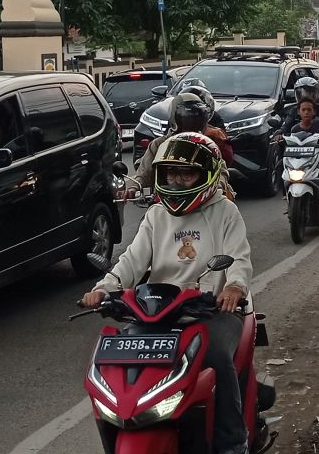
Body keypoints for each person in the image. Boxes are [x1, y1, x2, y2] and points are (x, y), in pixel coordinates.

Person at [82, 133, 252, 454]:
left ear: (207, 174)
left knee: (216, 357)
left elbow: (239, 259)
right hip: (159, 311)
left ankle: (233, 441)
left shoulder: (225, 212)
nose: (176, 181)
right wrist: (104, 289)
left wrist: (233, 286)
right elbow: (131, 262)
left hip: (214, 310)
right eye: (171, 173)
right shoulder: (157, 216)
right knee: (117, 368)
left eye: (186, 173)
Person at [137, 93, 235, 200]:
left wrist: (218, 187)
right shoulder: (159, 144)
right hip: (167, 200)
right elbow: (144, 173)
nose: (191, 125)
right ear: (175, 120)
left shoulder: (208, 144)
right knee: (149, 216)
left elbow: (220, 170)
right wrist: (134, 187)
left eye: (196, 120)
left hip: (204, 201)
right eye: (186, 120)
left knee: (228, 211)